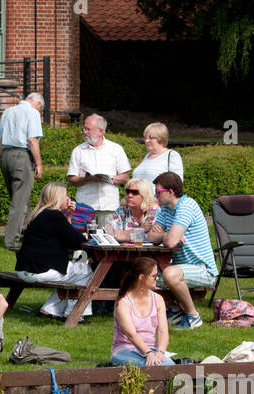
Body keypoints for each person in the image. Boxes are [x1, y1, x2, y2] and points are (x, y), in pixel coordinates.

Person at [145, 171, 218, 329]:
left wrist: (165, 236)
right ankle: (175, 309)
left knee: (169, 274)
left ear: (170, 192)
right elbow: (151, 237)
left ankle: (193, 316)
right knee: (144, 273)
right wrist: (166, 234)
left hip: (203, 269)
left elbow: (170, 243)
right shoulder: (166, 209)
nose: (156, 196)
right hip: (181, 267)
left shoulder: (186, 207)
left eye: (158, 192)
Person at [0, 92, 45, 251]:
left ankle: (28, 233)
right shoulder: (33, 113)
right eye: (41, 108)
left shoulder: (8, 111)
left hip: (5, 155)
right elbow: (32, 140)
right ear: (38, 104)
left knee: (19, 200)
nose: (40, 111)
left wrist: (4, 156)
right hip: (21, 156)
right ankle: (11, 242)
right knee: (20, 202)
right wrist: (39, 164)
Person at [67, 113, 130, 227]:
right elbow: (71, 179)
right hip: (85, 206)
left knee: (109, 241)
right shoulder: (78, 151)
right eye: (84, 128)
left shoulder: (115, 149)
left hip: (109, 206)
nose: (84, 132)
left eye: (88, 129)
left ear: (101, 131)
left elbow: (125, 177)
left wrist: (109, 178)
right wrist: (88, 179)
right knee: (83, 242)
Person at [110, 258, 174, 367]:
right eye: (154, 276)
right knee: (153, 366)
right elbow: (131, 334)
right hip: (125, 350)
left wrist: (161, 352)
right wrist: (148, 353)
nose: (157, 278)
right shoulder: (123, 302)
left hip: (151, 349)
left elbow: (163, 331)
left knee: (168, 365)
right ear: (141, 277)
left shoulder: (158, 299)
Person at [16, 182, 84, 275]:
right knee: (86, 272)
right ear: (57, 197)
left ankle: (57, 291)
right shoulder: (54, 215)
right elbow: (77, 241)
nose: (68, 198)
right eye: (65, 195)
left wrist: (68, 215)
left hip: (25, 270)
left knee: (79, 270)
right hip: (42, 270)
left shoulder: (37, 214)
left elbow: (67, 238)